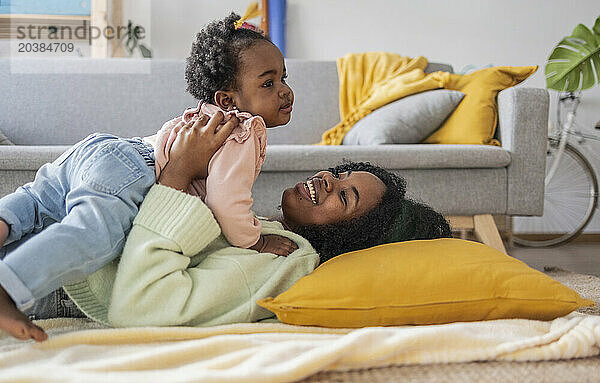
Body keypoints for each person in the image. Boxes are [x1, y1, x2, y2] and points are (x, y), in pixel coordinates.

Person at [0, 12, 295, 342]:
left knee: (39, 199)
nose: (284, 91)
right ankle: (8, 286)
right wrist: (256, 240)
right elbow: (226, 199)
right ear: (226, 99)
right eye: (269, 83)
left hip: (104, 149)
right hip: (133, 172)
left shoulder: (207, 115)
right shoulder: (242, 130)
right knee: (93, 233)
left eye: (284, 78)